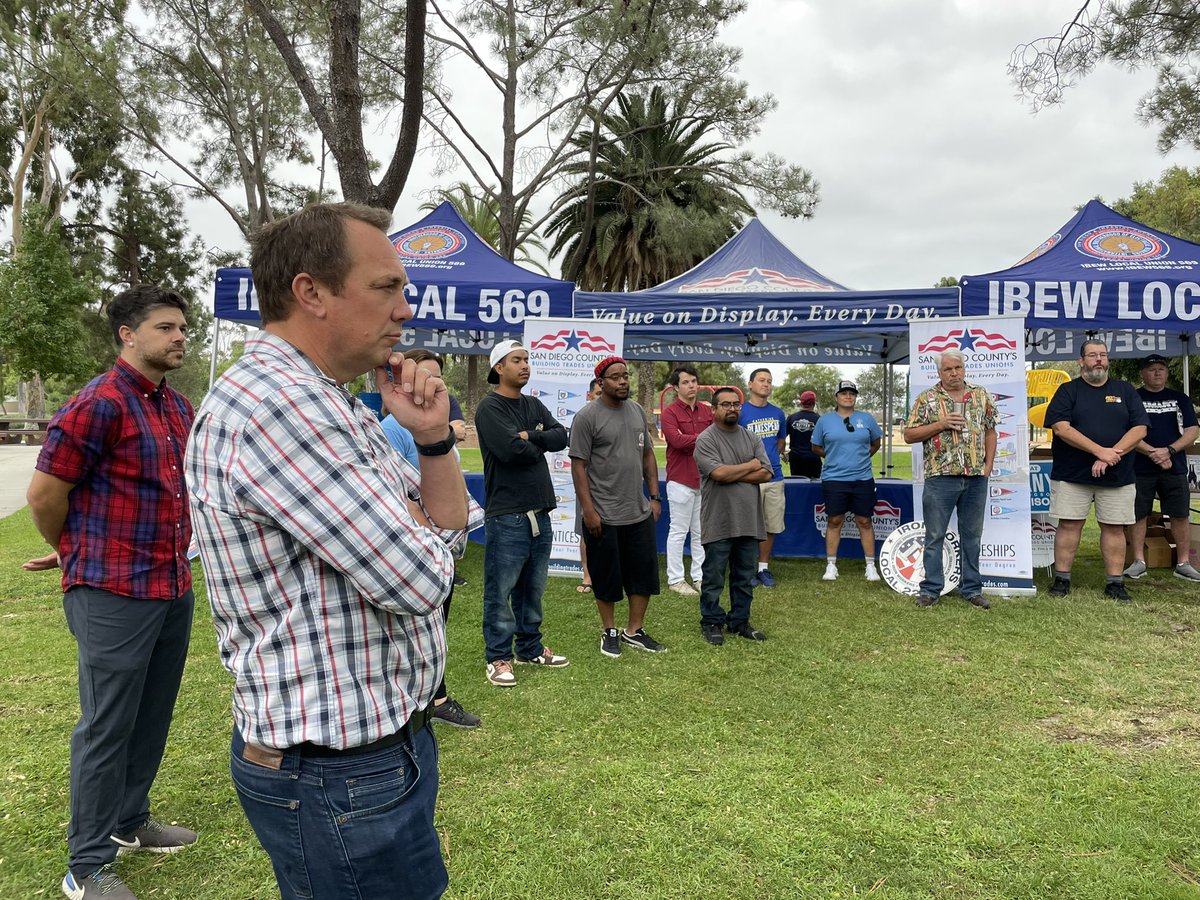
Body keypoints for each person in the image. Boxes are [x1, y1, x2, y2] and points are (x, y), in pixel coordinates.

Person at [186, 202, 482, 900]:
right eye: (387, 287)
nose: (406, 310)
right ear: (310, 291)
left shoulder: (330, 401)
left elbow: (443, 527)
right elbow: (422, 581)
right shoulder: (280, 406)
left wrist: (434, 439)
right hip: (337, 771)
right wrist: (426, 533)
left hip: (367, 756)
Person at [26, 285, 198, 900]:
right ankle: (87, 865)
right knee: (106, 723)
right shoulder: (96, 405)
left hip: (170, 583)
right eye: (165, 327)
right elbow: (46, 495)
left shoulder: (175, 407)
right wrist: (72, 548)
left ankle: (130, 821)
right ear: (127, 334)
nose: (180, 336)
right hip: (113, 589)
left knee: (151, 713)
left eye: (182, 326)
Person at [379, 349, 480, 729]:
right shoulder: (392, 428)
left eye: (438, 376)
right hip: (423, 550)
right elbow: (399, 498)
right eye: (423, 373)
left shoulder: (427, 424)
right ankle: (431, 698)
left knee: (438, 622)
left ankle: (432, 696)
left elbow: (451, 507)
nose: (432, 383)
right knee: (425, 621)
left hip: (442, 546)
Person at [475, 339, 570, 686]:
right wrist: (536, 443)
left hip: (539, 512)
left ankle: (529, 648)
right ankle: (498, 658)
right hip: (508, 514)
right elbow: (511, 451)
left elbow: (562, 437)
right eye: (517, 360)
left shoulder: (533, 405)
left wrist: (532, 435)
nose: (525, 365)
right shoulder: (490, 408)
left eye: (527, 359)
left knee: (533, 588)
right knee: (500, 591)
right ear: (499, 367)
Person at [570, 356, 666, 657]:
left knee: (643, 575)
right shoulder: (587, 417)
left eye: (626, 376)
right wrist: (588, 510)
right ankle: (609, 630)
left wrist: (654, 496)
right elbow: (579, 466)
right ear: (601, 383)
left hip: (637, 510)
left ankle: (634, 631)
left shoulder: (637, 411)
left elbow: (648, 456)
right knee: (606, 575)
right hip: (603, 513)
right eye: (615, 377)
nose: (623, 381)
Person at [1044, 338, 1148, 603]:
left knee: (1114, 528)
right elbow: (1061, 428)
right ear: (1082, 361)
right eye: (1092, 355)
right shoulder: (1068, 391)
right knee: (1069, 525)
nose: (1099, 359)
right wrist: (1098, 451)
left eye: (1103, 355)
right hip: (1072, 475)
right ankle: (1062, 580)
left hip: (1118, 475)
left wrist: (1112, 455)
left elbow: (1140, 429)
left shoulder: (1125, 390)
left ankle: (1115, 584)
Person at [902, 350, 998, 608]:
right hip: (940, 478)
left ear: (964, 368)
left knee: (972, 535)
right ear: (939, 373)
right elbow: (909, 435)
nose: (954, 373)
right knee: (935, 535)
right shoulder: (927, 399)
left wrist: (988, 466)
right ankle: (931, 589)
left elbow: (991, 430)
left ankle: (972, 589)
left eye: (958, 367)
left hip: (976, 477)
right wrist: (941, 424)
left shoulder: (981, 394)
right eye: (948, 369)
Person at [694, 387, 773, 644]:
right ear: (714, 409)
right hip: (719, 519)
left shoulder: (751, 438)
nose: (732, 409)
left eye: (736, 404)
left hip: (749, 520)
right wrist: (750, 465)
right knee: (714, 575)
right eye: (725, 404)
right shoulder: (706, 439)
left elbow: (766, 473)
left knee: (744, 577)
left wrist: (734, 472)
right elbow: (718, 475)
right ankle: (712, 621)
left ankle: (739, 621)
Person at [1124, 353, 1200, 581]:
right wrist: (1151, 452)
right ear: (1142, 374)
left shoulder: (1180, 398)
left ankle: (1183, 563)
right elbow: (1127, 433)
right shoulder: (1133, 398)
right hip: (1140, 467)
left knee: (1179, 514)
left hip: (1174, 467)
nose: (1157, 373)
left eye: (1161, 369)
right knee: (1139, 515)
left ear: (1167, 373)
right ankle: (1139, 561)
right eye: (1151, 369)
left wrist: (1169, 451)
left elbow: (1192, 431)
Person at [811, 380, 884, 582]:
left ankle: (870, 566)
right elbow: (816, 447)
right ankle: (831, 565)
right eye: (844, 393)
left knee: (865, 521)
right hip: (834, 479)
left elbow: (875, 443)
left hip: (862, 479)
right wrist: (833, 456)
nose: (848, 396)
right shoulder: (824, 421)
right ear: (837, 397)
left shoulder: (866, 419)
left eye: (852, 393)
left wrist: (860, 457)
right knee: (834, 520)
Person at [660, 364, 713, 595]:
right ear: (675, 387)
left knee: (701, 532)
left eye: (693, 381)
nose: (691, 385)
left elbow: (715, 439)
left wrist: (692, 438)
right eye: (685, 382)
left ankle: (699, 577)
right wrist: (703, 438)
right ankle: (676, 580)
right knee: (678, 531)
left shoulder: (706, 411)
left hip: (703, 479)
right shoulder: (670, 413)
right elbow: (677, 442)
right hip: (680, 480)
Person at [738, 368, 786, 587]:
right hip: (748, 478)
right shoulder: (740, 412)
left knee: (770, 525)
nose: (766, 384)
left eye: (769, 381)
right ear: (750, 384)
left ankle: (763, 569)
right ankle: (745, 569)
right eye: (761, 380)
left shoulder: (778, 413)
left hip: (774, 478)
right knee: (747, 526)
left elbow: (780, 441)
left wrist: (770, 461)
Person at [576, 377, 603, 594]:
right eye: (597, 394)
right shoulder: (583, 419)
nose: (601, 398)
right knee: (586, 532)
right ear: (589, 396)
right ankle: (587, 575)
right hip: (588, 486)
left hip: (616, 487)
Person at [786, 390, 822, 478]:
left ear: (801, 403)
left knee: (797, 484)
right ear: (813, 403)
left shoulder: (791, 418)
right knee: (814, 486)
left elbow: (782, 437)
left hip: (796, 458)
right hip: (813, 458)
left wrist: (784, 453)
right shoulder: (819, 419)